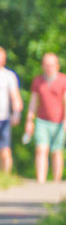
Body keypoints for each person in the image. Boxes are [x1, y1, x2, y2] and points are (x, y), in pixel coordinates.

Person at [23, 52, 66, 184]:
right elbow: (33, 102)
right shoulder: (38, 81)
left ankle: (56, 182)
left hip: (59, 122)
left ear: (57, 66)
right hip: (42, 121)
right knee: (41, 149)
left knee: (56, 152)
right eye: (46, 65)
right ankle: (41, 181)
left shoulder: (64, 80)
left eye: (51, 65)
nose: (48, 67)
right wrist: (29, 120)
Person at [0, 48, 20, 176]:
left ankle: (5, 177)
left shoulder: (9, 76)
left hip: (4, 118)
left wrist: (16, 112)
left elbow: (15, 96)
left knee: (5, 150)